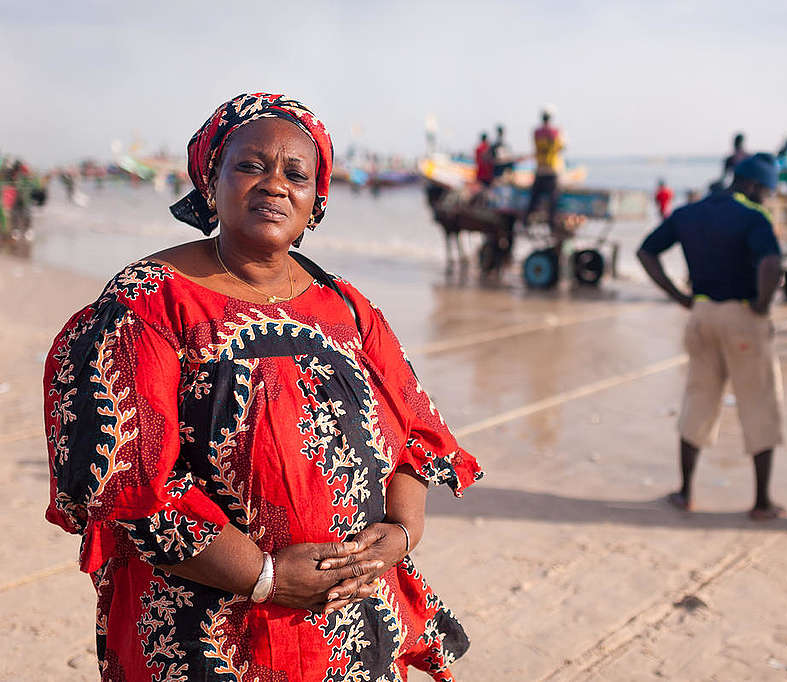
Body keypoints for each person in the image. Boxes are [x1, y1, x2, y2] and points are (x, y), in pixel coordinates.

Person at [43, 93, 483, 681]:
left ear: (315, 202)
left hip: (349, 619)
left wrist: (400, 534)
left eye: (296, 173)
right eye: (250, 165)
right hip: (207, 625)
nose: (275, 184)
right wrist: (264, 575)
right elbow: (124, 482)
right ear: (211, 182)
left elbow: (416, 435)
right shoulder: (148, 302)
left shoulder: (348, 307)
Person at [637, 153, 785, 520]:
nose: (766, 199)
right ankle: (762, 502)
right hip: (743, 316)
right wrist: (763, 306)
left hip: (701, 314)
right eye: (765, 191)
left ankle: (685, 491)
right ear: (752, 185)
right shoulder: (753, 216)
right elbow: (772, 263)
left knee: (698, 399)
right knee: (759, 402)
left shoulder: (689, 213)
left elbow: (646, 251)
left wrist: (679, 297)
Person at [525, 107, 565, 231]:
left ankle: (527, 221)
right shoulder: (555, 132)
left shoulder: (536, 132)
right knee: (553, 199)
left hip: (540, 170)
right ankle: (551, 224)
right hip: (552, 170)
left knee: (534, 198)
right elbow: (561, 146)